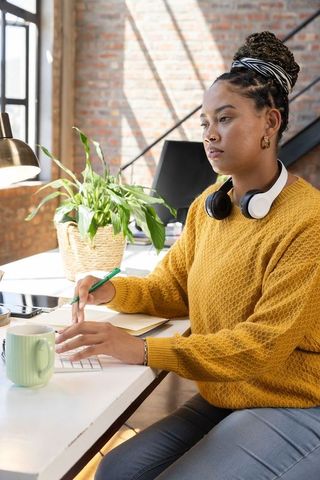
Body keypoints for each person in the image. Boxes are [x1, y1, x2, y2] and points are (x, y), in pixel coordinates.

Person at [56, 31, 320, 479]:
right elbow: (172, 288)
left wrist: (141, 350)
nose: (209, 134)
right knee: (116, 471)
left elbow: (261, 347)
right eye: (204, 123)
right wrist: (113, 289)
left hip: (295, 401)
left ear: (270, 124)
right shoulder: (209, 205)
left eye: (225, 118)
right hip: (227, 392)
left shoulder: (309, 221)